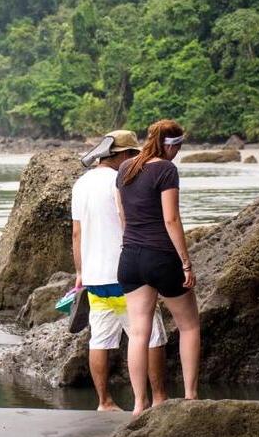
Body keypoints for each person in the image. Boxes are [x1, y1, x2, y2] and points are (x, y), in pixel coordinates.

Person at [72, 130, 169, 412]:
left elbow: (76, 233)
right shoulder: (122, 179)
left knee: (99, 340)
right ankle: (158, 399)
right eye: (133, 155)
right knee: (151, 335)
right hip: (126, 273)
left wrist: (80, 272)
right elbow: (129, 222)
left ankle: (104, 402)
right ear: (124, 155)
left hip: (94, 278)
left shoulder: (81, 183)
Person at [115, 119, 200, 417]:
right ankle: (191, 397)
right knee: (189, 325)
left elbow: (122, 215)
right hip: (161, 256)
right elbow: (171, 219)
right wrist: (186, 262)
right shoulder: (166, 169)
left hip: (130, 258)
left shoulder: (125, 168)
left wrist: (132, 243)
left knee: (139, 333)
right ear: (172, 145)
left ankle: (139, 405)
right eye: (179, 146)